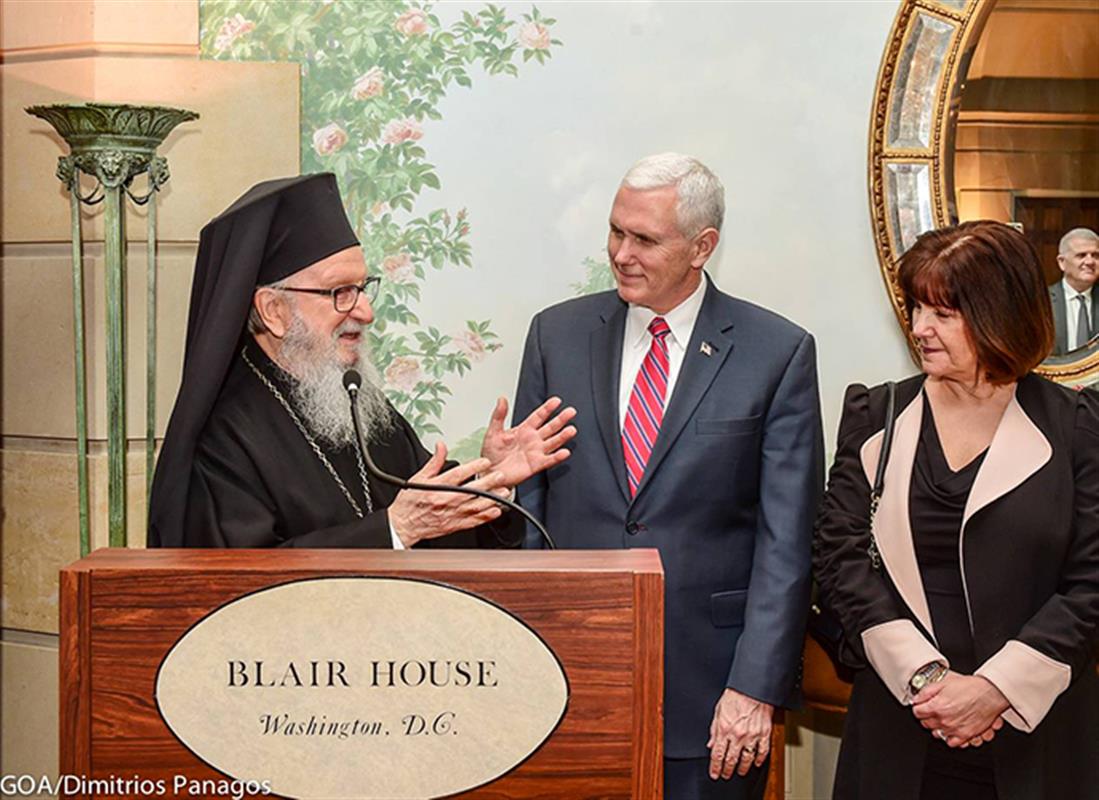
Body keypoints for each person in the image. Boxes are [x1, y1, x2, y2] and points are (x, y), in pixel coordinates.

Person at [513, 153, 823, 799]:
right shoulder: (555, 336)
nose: (621, 254)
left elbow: (787, 543)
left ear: (701, 247)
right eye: (615, 231)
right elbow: (530, 516)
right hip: (569, 678)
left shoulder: (776, 352)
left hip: (711, 695)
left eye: (645, 240)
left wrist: (753, 687)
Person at [814, 220, 1099, 800]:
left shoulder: (1076, 427)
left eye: (943, 313)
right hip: (902, 720)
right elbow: (840, 557)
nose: (920, 328)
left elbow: (1091, 580)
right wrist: (925, 677)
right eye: (917, 308)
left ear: (1000, 315)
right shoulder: (877, 416)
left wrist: (997, 688)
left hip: (1037, 733)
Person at [148, 173, 575, 549]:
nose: (365, 312)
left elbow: (436, 524)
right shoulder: (222, 437)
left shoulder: (354, 402)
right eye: (340, 292)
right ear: (273, 311)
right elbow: (242, 584)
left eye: (363, 287)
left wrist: (489, 482)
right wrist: (394, 531)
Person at [1050, 227, 1099, 355]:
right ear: (1062, 262)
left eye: (1096, 256)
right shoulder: (1042, 302)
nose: (1090, 261)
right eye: (1081, 255)